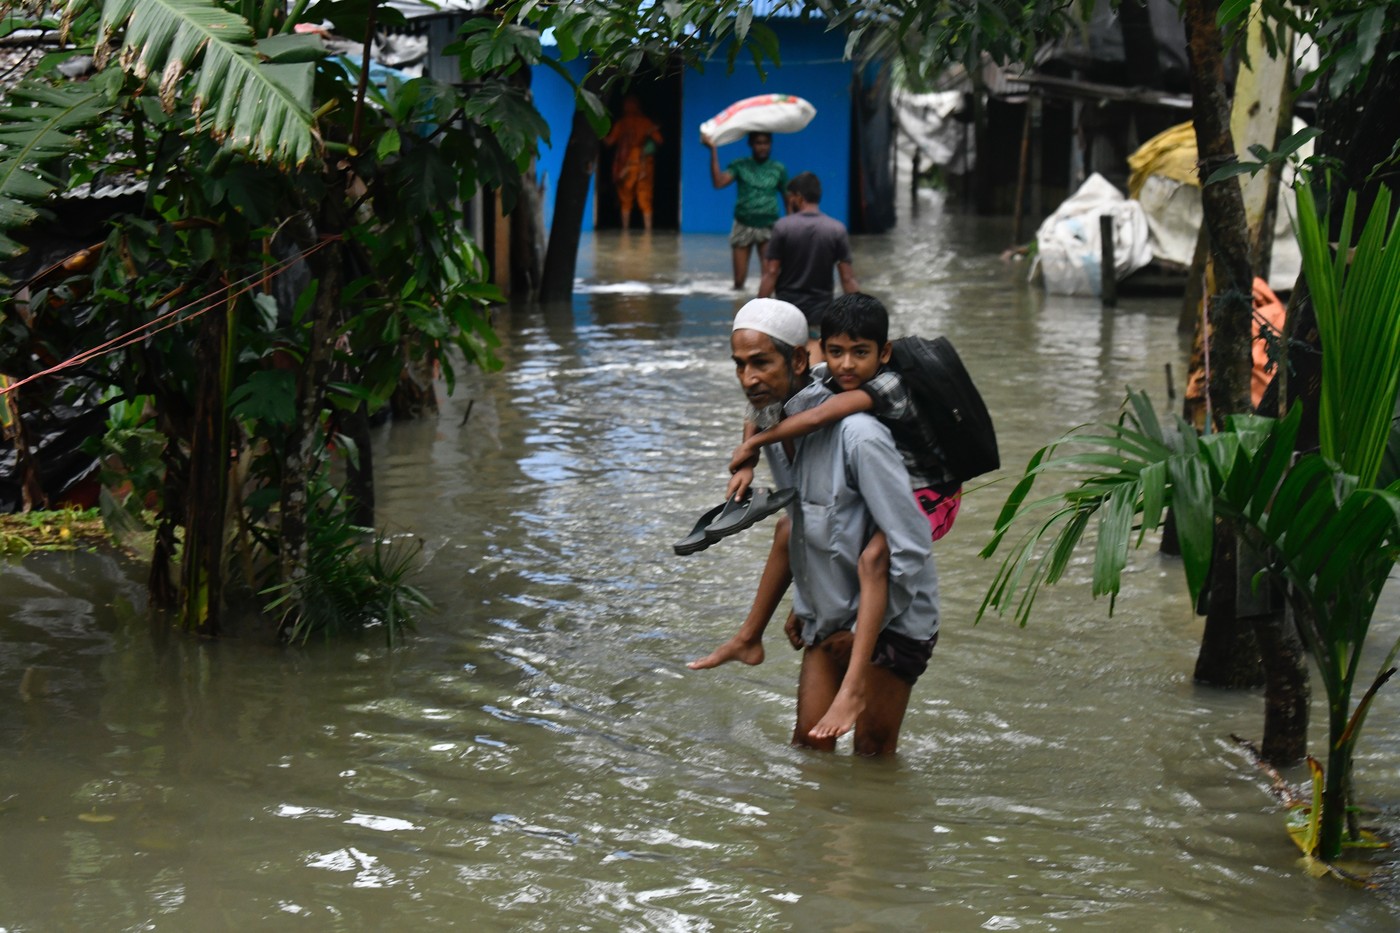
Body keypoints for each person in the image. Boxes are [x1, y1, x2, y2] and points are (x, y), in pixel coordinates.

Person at [689, 298, 940, 756]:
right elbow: (804, 525)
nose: (749, 379)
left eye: (762, 363)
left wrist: (874, 624)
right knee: (808, 748)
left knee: (872, 755)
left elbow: (910, 547)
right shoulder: (774, 422)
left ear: (800, 360)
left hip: (893, 620)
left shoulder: (859, 436)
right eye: (740, 365)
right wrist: (806, 603)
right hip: (829, 614)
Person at [758, 172, 859, 364]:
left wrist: (758, 309)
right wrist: (860, 313)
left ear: (798, 197)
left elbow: (771, 273)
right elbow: (847, 279)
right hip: (820, 313)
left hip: (787, 311)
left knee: (785, 363)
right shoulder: (836, 229)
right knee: (815, 369)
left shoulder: (783, 227)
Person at [704, 131, 788, 289]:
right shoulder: (740, 165)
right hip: (743, 223)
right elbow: (719, 182)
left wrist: (792, 229)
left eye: (766, 143)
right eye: (758, 143)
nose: (762, 147)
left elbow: (787, 199)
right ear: (751, 144)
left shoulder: (778, 169)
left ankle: (766, 313)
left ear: (770, 144)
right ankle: (738, 312)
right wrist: (713, 150)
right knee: (739, 282)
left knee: (769, 277)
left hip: (768, 226)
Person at [602, 96, 663, 232]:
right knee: (645, 198)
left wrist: (597, 132)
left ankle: (625, 231)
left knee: (625, 199)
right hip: (644, 165)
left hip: (626, 164)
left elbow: (609, 142)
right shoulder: (646, 122)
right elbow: (659, 140)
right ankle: (648, 232)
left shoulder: (622, 123)